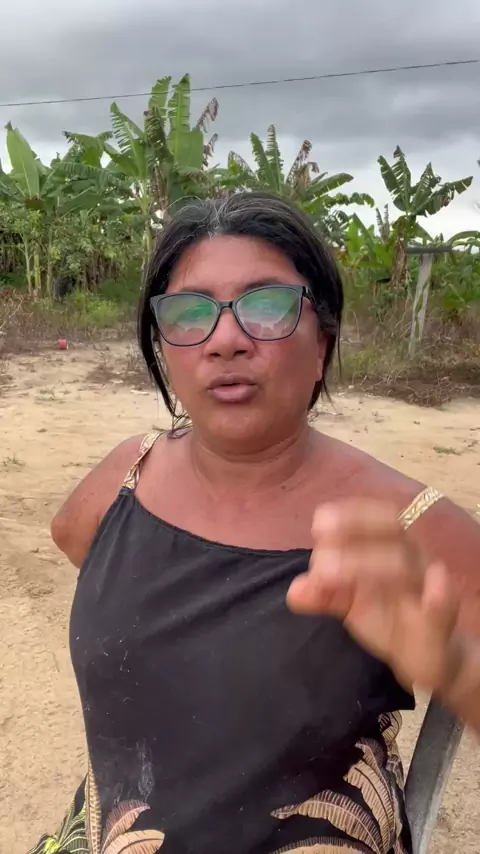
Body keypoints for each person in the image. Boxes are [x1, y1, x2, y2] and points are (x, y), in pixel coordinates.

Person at [29, 193, 480, 854]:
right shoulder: (127, 475)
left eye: (266, 306)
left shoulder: (410, 528)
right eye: (190, 313)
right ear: (164, 347)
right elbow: (73, 537)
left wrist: (455, 667)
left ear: (322, 343)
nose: (226, 340)